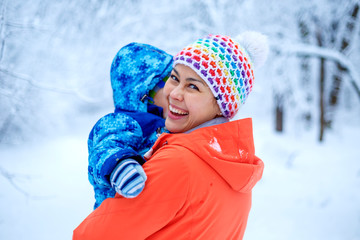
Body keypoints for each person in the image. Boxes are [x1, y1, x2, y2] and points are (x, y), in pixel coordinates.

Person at [74, 32, 268, 239]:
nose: (174, 93)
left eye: (193, 86)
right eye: (174, 78)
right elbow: (107, 144)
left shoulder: (178, 163)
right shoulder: (237, 169)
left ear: (222, 105)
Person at [88, 42, 173, 209]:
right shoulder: (123, 122)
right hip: (116, 217)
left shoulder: (167, 123)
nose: (176, 92)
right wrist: (120, 165)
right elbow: (106, 147)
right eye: (169, 82)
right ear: (144, 93)